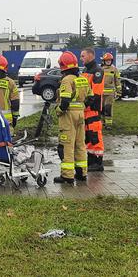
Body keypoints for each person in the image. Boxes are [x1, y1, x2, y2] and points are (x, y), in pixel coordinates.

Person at [54, 51, 91, 184]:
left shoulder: (66, 80)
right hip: (81, 114)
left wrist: (58, 110)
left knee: (67, 145)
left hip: (68, 115)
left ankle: (67, 176)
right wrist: (80, 107)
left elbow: (64, 102)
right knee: (80, 144)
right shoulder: (82, 79)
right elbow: (90, 98)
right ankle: (81, 173)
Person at [80, 48, 105, 172]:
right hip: (85, 109)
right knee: (88, 137)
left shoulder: (97, 71)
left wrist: (84, 105)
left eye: (83, 56)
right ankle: (91, 161)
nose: (81, 58)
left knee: (95, 135)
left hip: (92, 109)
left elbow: (96, 93)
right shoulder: (86, 70)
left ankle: (98, 162)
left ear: (90, 56)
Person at [101, 53, 121, 129]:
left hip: (110, 93)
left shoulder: (114, 69)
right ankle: (102, 122)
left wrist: (119, 91)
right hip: (101, 93)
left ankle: (108, 124)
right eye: (107, 60)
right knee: (102, 108)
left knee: (108, 108)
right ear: (104, 61)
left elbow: (117, 81)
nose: (108, 61)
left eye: (109, 60)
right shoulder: (101, 69)